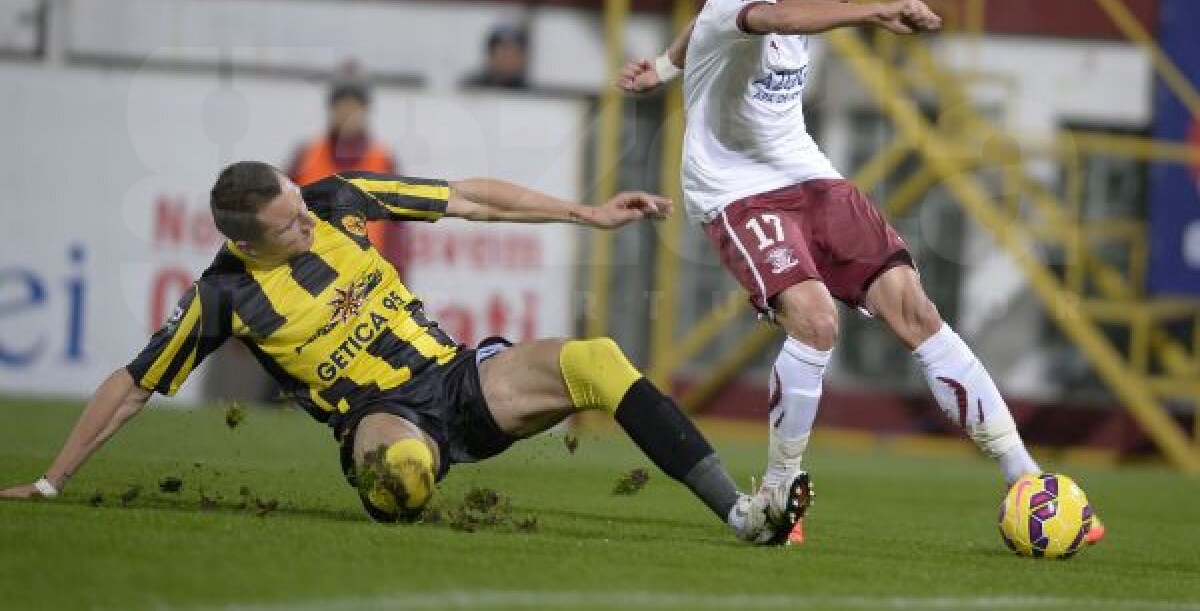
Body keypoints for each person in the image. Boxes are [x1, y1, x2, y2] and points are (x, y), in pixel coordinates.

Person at [618, 0, 1103, 546]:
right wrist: (875, 13)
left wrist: (665, 67)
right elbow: (766, 18)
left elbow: (706, 23)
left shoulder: (749, 0)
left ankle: (1028, 479)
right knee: (817, 322)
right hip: (736, 193)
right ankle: (779, 493)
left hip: (810, 177)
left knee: (917, 310)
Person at [0, 161, 809, 545]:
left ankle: (744, 517)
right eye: (290, 224)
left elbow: (468, 198)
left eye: (301, 203)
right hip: (378, 419)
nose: (310, 221)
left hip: (461, 380)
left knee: (595, 357)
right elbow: (134, 385)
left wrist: (586, 214)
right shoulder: (222, 298)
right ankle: (400, 477)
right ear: (247, 244)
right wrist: (51, 479)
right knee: (405, 476)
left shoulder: (339, 198)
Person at [288, 63, 409, 279]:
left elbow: (396, 238)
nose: (348, 113)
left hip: (366, 289)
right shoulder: (305, 158)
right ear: (332, 108)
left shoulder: (384, 162)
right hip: (309, 286)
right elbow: (279, 221)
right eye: (342, 105)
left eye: (355, 106)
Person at [462, 22, 529, 90]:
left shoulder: (531, 95)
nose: (508, 59)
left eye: (514, 53)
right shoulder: (469, 90)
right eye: (503, 51)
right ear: (490, 54)